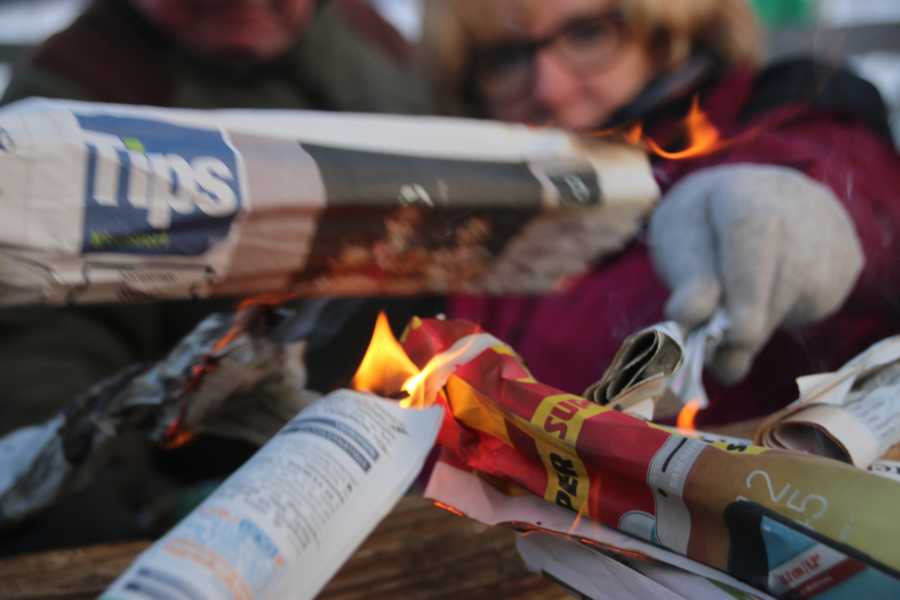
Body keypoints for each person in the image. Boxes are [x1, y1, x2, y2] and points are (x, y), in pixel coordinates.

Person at [0, 0, 437, 553]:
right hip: (223, 507)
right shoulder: (77, 89)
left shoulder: (371, 43)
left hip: (411, 459)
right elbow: (42, 361)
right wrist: (145, 518)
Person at [422, 0, 900, 425]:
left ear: (671, 26)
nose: (550, 88)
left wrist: (797, 214)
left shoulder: (785, 122)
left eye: (587, 34)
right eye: (505, 57)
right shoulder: (474, 206)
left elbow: (859, 200)